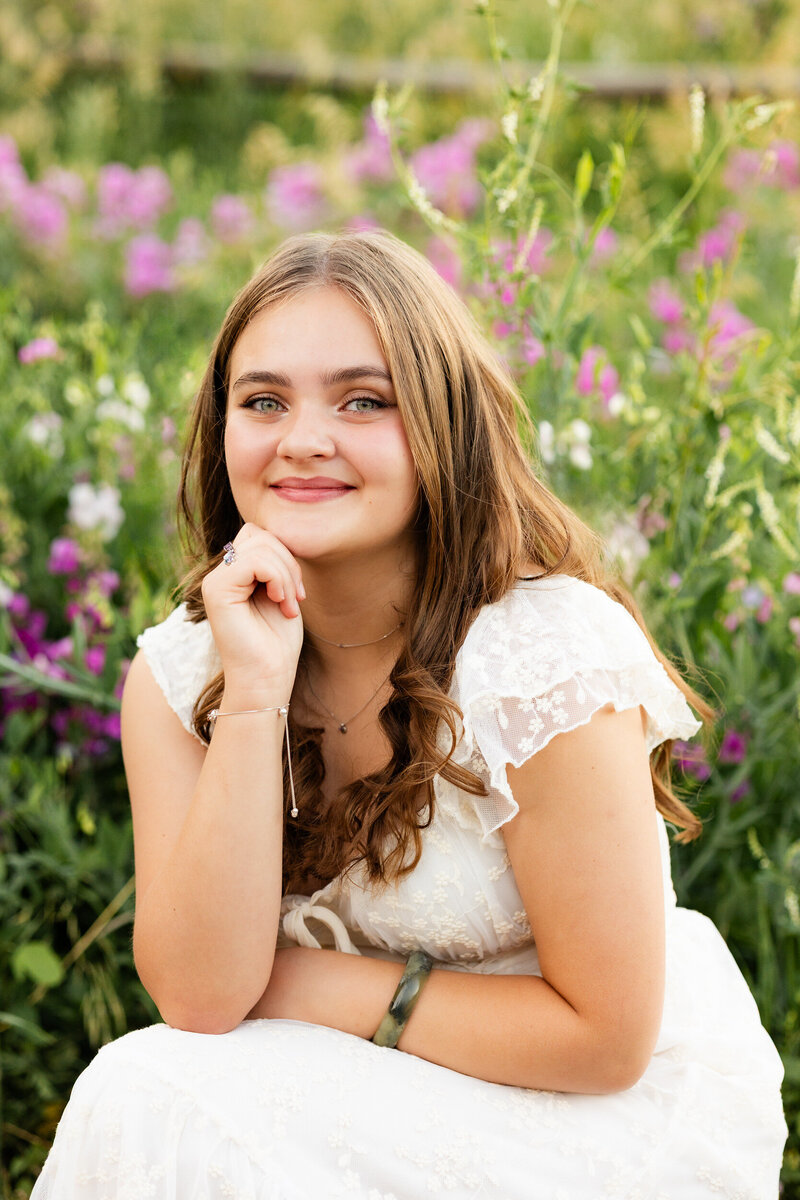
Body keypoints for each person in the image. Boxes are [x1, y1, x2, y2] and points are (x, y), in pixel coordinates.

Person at [32, 230, 786, 1199]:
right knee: (148, 1087)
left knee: (164, 1098)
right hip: (326, 1081)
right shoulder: (185, 672)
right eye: (263, 401)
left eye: (362, 400)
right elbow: (202, 996)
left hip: (574, 1115)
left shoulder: (540, 658)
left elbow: (603, 1041)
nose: (302, 438)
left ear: (441, 427)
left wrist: (307, 983)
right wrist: (257, 698)